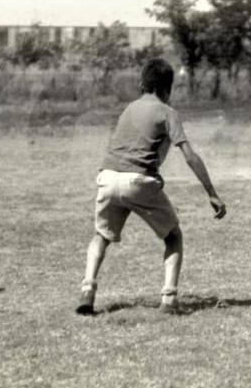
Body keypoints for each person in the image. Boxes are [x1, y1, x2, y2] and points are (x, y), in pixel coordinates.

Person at [77, 58, 226, 315]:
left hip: (108, 176)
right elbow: (189, 156)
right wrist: (211, 193)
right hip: (138, 181)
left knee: (101, 236)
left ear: (141, 84)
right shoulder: (167, 112)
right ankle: (168, 299)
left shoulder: (128, 109)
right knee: (173, 236)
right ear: (167, 90)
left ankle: (87, 290)